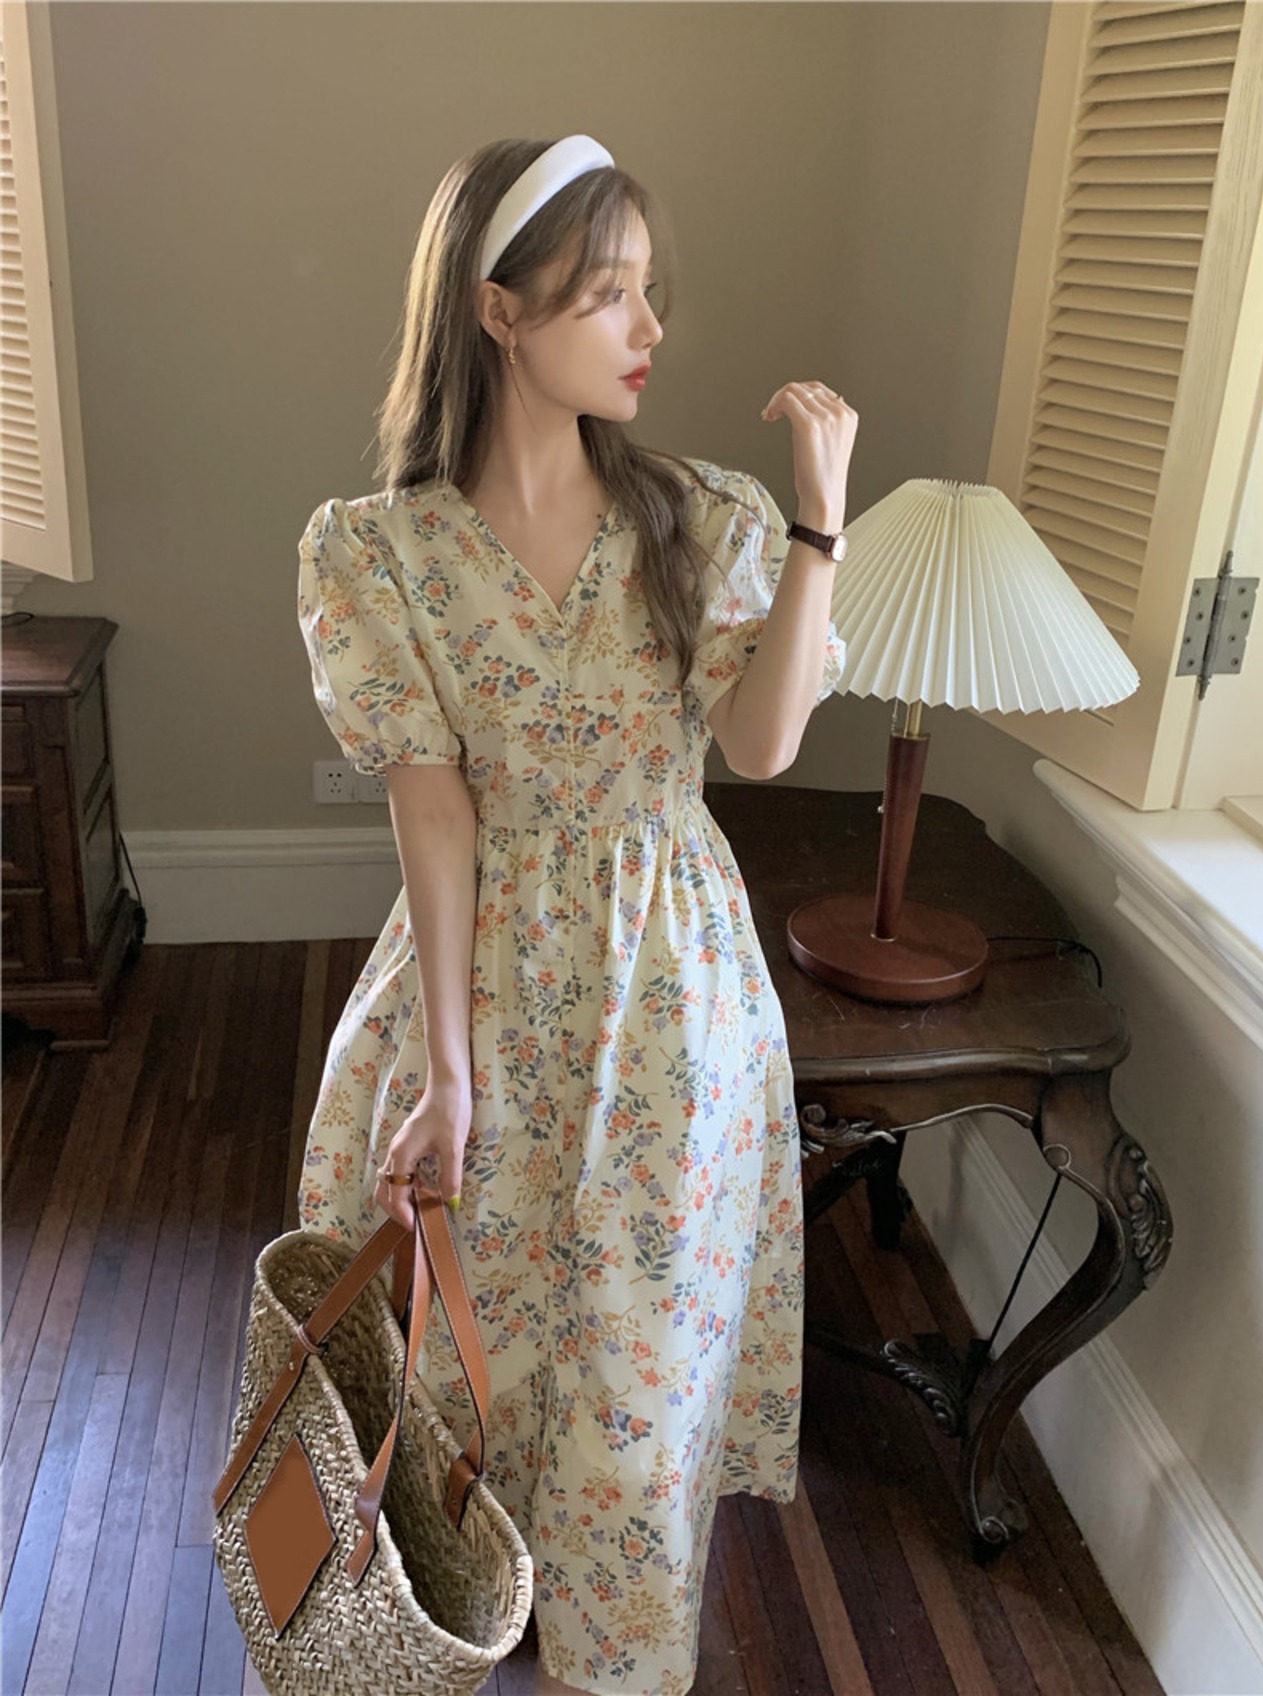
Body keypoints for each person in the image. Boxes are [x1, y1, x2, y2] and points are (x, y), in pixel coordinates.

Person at [296, 134, 857, 1696]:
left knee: (636, 1366)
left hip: (671, 994)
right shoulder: (378, 551)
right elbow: (432, 808)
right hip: (476, 970)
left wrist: (821, 523)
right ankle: (453, 1613)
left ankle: (614, 1660)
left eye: (647, 291)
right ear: (497, 309)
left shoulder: (707, 518)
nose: (650, 327)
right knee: (456, 1346)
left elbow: (761, 747)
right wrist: (449, 1068)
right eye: (609, 294)